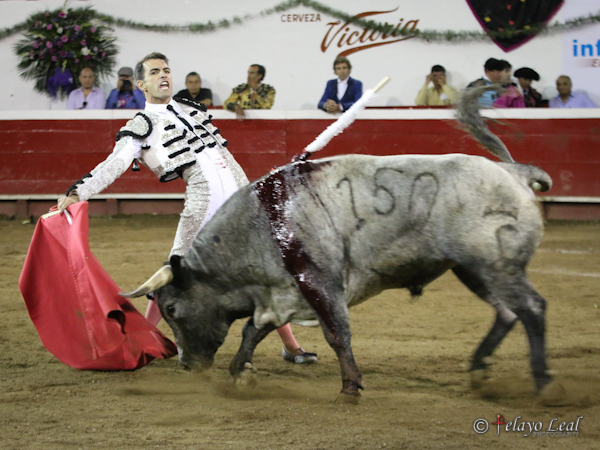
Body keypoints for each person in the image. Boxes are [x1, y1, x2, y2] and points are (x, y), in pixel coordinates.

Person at [56, 52, 316, 365]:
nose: (163, 75)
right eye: (154, 72)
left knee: (265, 273)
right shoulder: (141, 126)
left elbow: (223, 158)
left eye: (166, 70)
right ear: (141, 84)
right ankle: (141, 343)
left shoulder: (191, 109)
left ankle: (291, 347)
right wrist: (79, 192)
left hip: (241, 200)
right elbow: (113, 165)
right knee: (173, 274)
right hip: (204, 203)